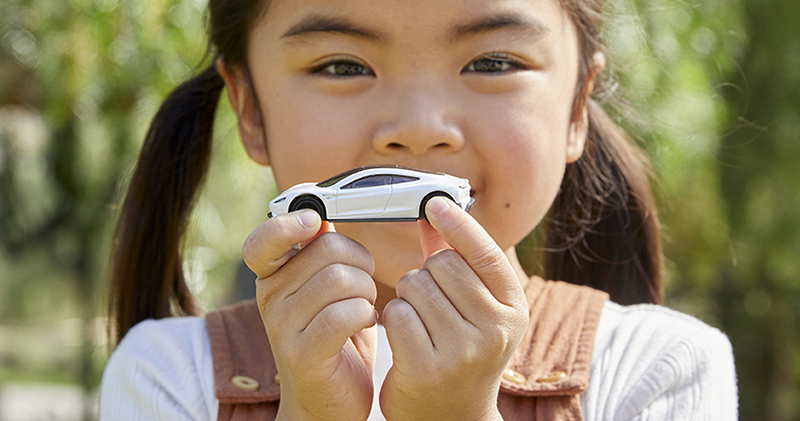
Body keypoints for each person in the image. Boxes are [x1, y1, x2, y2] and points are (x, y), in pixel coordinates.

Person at [99, 0, 738, 419]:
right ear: (250, 110)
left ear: (577, 108)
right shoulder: (170, 375)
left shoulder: (661, 369)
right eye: (342, 64)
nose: (418, 130)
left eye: (493, 61)